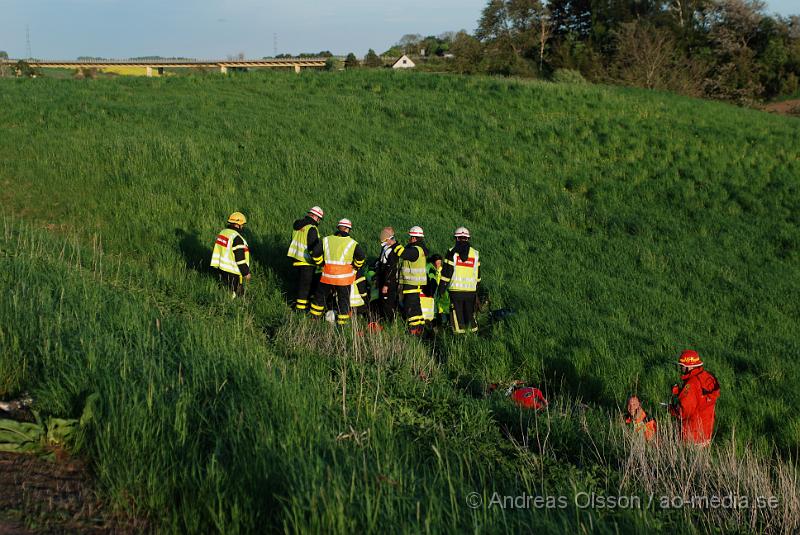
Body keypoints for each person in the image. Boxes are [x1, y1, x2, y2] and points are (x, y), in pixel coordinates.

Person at [309, 218, 366, 326]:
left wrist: (321, 263)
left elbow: (315, 253)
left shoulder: (326, 240)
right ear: (347, 229)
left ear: (338, 228)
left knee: (320, 298)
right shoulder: (352, 243)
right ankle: (342, 324)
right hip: (344, 279)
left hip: (327, 276)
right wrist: (356, 266)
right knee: (343, 301)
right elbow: (361, 257)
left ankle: (314, 319)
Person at [669, 350, 720, 446]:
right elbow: (700, 398)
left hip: (692, 434)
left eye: (682, 366)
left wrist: (671, 409)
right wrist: (681, 392)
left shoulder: (691, 384)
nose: (681, 368)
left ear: (690, 366)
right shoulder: (708, 377)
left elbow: (684, 412)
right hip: (706, 431)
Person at [438, 227, 481, 334]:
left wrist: (441, 289)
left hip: (456, 291)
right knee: (469, 314)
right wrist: (476, 289)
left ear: (456, 238)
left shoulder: (452, 252)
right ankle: (474, 335)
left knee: (457, 316)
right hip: (471, 291)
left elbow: (446, 273)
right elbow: (478, 275)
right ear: (468, 238)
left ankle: (459, 338)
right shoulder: (475, 254)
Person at [391, 226, 430, 335]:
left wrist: (393, 243)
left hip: (411, 283)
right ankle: (420, 327)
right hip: (415, 283)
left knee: (410, 307)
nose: (409, 239)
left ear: (414, 238)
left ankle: (413, 329)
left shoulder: (415, 250)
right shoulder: (419, 249)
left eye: (411, 237)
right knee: (416, 307)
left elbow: (403, 253)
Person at [286, 206, 324, 312]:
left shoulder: (297, 226)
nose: (319, 221)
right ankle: (300, 310)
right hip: (306, 262)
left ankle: (295, 304)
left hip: (295, 259)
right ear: (314, 216)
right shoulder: (311, 228)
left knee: (298, 284)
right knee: (305, 287)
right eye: (319, 218)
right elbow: (313, 248)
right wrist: (320, 262)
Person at [210, 212, 250, 297]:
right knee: (238, 293)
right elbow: (240, 258)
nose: (242, 227)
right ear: (237, 225)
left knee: (227, 289)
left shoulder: (223, 232)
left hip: (221, 267)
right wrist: (246, 272)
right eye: (242, 224)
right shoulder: (237, 238)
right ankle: (236, 306)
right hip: (233, 271)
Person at [374, 227, 399, 321]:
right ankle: (384, 320)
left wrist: (386, 284)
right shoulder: (385, 248)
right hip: (383, 279)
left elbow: (391, 269)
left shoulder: (391, 250)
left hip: (389, 282)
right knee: (383, 302)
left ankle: (389, 322)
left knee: (388, 302)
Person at [425, 254, 449, 325]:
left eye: (440, 263)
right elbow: (431, 279)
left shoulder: (442, 270)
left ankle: (443, 322)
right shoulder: (430, 269)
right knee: (436, 307)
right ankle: (437, 322)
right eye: (437, 263)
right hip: (434, 292)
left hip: (442, 292)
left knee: (442, 307)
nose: (439, 265)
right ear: (433, 263)